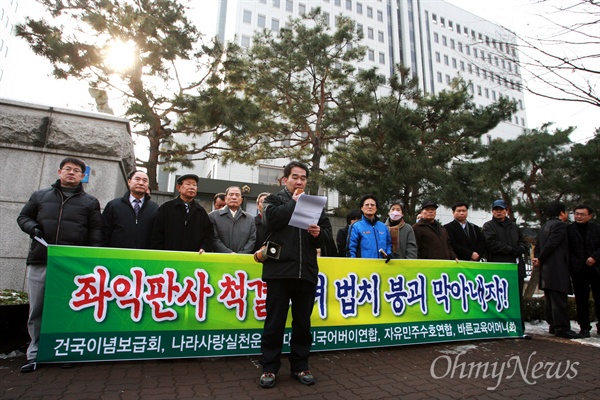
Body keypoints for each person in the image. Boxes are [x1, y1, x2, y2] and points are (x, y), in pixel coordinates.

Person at [17, 157, 102, 373]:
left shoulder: (90, 202)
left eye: (76, 171)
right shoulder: (40, 196)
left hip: (71, 266)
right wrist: (33, 228)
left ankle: (65, 351)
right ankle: (34, 354)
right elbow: (23, 217)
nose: (71, 173)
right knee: (37, 308)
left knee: (68, 309)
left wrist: (90, 261)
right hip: (41, 260)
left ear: (83, 176)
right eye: (68, 169)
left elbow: (95, 234)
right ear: (59, 172)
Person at [258, 161, 332, 389]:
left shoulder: (315, 205)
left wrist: (318, 234)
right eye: (295, 177)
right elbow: (271, 221)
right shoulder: (273, 200)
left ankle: (300, 366)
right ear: (285, 180)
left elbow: (328, 235)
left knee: (302, 324)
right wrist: (294, 202)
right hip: (279, 271)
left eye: (303, 178)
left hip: (306, 272)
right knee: (274, 323)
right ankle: (269, 368)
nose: (299, 181)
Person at [532, 203, 581, 339]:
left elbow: (538, 245)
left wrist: (538, 258)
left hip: (547, 270)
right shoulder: (559, 226)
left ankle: (553, 325)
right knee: (559, 300)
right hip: (557, 268)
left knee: (551, 300)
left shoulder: (544, 226)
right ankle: (562, 328)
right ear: (561, 213)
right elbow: (552, 244)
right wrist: (540, 259)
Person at [482, 199, 529, 336]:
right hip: (499, 269)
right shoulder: (488, 226)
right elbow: (490, 244)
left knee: (517, 299)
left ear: (506, 211)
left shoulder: (514, 227)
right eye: (496, 209)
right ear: (492, 211)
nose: (499, 212)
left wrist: (521, 248)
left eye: (501, 209)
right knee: (499, 300)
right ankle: (499, 328)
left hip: (516, 268)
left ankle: (519, 328)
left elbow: (524, 242)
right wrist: (510, 250)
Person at [151, 174, 213, 253]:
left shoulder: (200, 211)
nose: (192, 187)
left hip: (192, 258)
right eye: (188, 184)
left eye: (194, 185)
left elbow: (208, 235)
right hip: (168, 258)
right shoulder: (166, 208)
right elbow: (156, 234)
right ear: (179, 187)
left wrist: (204, 247)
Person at [102, 170, 158, 249]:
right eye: (137, 179)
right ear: (129, 182)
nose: (141, 183)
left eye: (145, 181)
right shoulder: (114, 205)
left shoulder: (155, 208)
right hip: (117, 256)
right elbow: (104, 232)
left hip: (144, 257)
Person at [567, 204, 600, 337]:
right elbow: (567, 250)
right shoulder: (569, 230)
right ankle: (584, 327)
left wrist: (594, 257)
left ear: (590, 216)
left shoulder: (597, 229)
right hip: (579, 270)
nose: (579, 216)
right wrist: (574, 263)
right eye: (576, 214)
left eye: (582, 214)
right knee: (581, 300)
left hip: (597, 269)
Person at [208, 186, 256, 253]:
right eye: (231, 194)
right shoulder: (213, 216)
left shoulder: (250, 219)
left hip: (242, 260)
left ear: (241, 200)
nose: (234, 197)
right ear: (225, 198)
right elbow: (214, 239)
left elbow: (252, 240)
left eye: (237, 195)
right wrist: (229, 254)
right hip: (220, 259)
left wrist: (240, 255)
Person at [348, 194, 392, 259]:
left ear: (376, 208)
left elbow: (389, 244)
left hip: (382, 266)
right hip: (363, 266)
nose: (370, 207)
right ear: (361, 208)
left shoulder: (383, 227)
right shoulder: (356, 226)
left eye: (372, 205)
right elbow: (351, 248)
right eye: (367, 205)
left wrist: (388, 254)